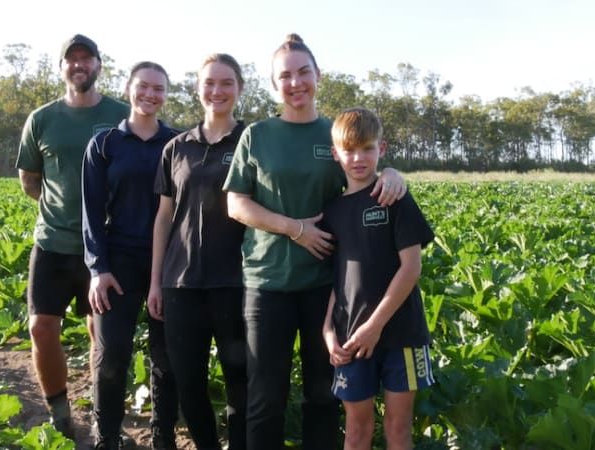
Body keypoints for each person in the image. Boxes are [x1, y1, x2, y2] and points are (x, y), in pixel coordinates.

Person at [223, 33, 407, 450]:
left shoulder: (334, 134)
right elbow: (236, 204)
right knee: (265, 397)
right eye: (285, 75)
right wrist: (296, 229)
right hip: (267, 283)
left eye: (303, 72)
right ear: (274, 83)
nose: (296, 82)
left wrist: (392, 173)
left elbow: (364, 169)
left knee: (323, 395)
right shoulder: (258, 135)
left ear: (318, 76)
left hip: (326, 286)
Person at [15, 33, 129, 439]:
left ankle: (105, 418)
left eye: (87, 58)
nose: (79, 64)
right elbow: (30, 179)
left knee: (103, 334)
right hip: (53, 243)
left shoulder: (122, 115)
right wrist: (64, 211)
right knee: (41, 327)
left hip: (107, 247)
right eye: (72, 59)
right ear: (62, 67)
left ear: (98, 65)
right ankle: (60, 411)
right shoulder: (42, 119)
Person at [148, 53, 248, 450]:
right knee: (188, 384)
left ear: (239, 88)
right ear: (197, 89)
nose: (217, 91)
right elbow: (163, 218)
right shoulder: (176, 148)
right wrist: (156, 282)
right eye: (209, 83)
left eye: (226, 83)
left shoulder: (252, 142)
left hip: (236, 284)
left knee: (240, 382)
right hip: (181, 284)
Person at [322, 107, 435, 450]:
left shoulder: (394, 196)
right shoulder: (333, 210)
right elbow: (338, 278)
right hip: (351, 338)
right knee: (356, 430)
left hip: (403, 334)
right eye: (349, 150)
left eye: (367, 149)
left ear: (381, 149)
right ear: (335, 154)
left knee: (398, 429)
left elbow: (411, 269)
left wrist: (375, 326)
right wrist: (328, 330)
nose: (358, 158)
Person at [82, 61, 180, 450]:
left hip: (169, 262)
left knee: (166, 358)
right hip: (118, 261)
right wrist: (98, 269)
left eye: (159, 89)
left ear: (166, 95)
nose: (150, 95)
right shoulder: (105, 144)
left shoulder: (177, 144)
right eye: (143, 86)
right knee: (111, 354)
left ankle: (163, 437)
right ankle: (106, 436)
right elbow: (91, 212)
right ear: (128, 88)